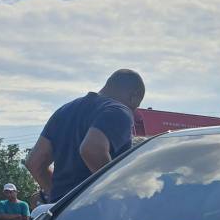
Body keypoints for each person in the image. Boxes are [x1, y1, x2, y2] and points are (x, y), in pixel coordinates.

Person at [26, 69, 145, 202]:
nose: (133, 111)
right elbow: (91, 150)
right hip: (97, 212)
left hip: (60, 218)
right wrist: (116, 196)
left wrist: (62, 201)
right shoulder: (119, 111)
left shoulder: (64, 111)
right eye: (136, 106)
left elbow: (34, 163)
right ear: (134, 95)